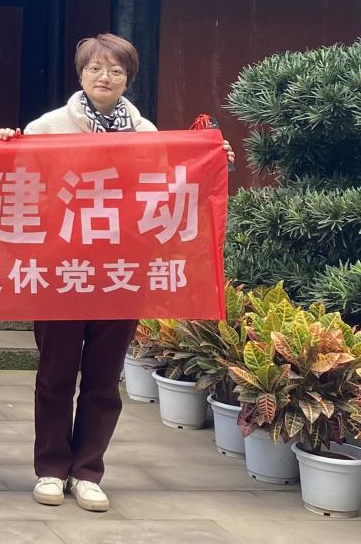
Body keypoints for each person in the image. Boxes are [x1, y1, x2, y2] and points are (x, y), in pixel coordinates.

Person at [21, 33, 233, 513]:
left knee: (103, 376)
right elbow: (18, 184)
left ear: (128, 78)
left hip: (122, 271)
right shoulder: (47, 128)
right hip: (61, 270)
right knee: (55, 374)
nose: (105, 77)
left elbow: (170, 190)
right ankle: (51, 468)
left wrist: (212, 163)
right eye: (95, 68)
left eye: (116, 70)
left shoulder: (147, 133)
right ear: (81, 73)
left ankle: (88, 471)